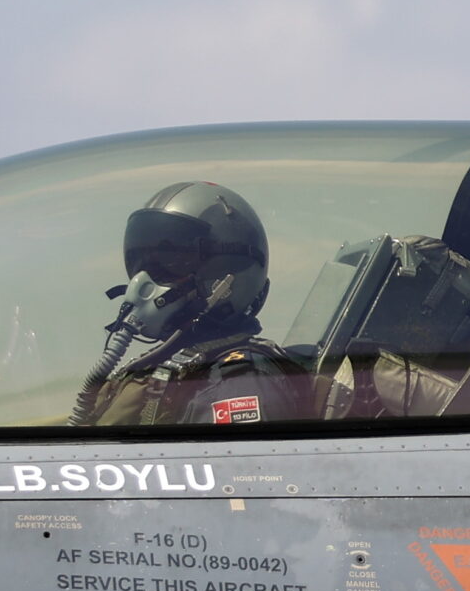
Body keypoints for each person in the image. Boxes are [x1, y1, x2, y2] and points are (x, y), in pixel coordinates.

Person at [71, 182, 313, 427]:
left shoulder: (238, 382)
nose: (141, 282)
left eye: (168, 265)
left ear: (224, 280)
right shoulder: (174, 372)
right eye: (141, 263)